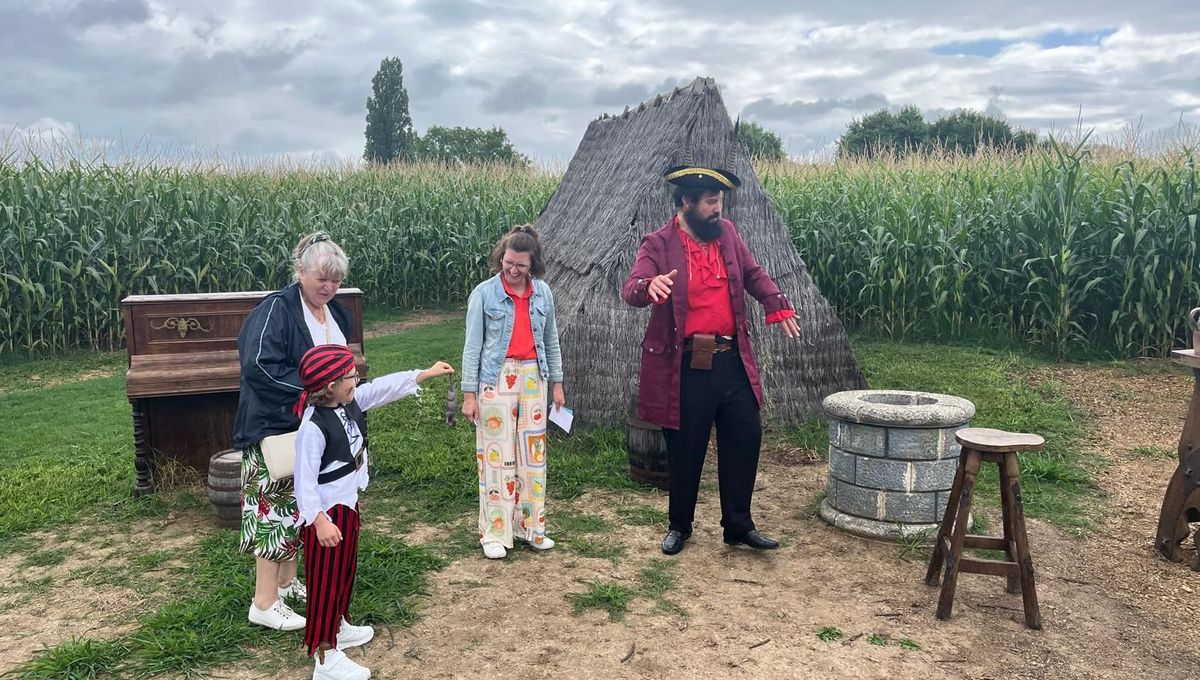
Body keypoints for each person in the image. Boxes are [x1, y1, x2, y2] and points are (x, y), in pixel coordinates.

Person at [621, 165, 802, 555]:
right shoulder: (657, 243)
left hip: (731, 359)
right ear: (686, 202)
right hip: (685, 365)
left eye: (720, 201)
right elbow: (632, 286)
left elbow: (753, 273)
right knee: (686, 447)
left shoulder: (728, 234)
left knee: (745, 436)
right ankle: (679, 526)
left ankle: (737, 526)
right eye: (710, 202)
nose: (718, 209)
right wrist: (648, 286)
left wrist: (778, 304)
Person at [293, 344, 455, 680]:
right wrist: (318, 520)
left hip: (347, 505)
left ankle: (337, 626)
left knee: (343, 573)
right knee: (324, 582)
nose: (356, 379)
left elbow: (380, 389)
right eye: (349, 375)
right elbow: (303, 481)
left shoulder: (348, 402)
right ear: (329, 385)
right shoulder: (313, 428)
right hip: (327, 514)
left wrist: (421, 374)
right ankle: (324, 657)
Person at [234, 231, 353, 631]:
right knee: (273, 511)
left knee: (300, 507)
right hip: (274, 430)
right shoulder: (276, 310)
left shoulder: (336, 313)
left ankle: (286, 584)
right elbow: (258, 366)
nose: (329, 287)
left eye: (335, 280)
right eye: (321, 277)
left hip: (312, 430)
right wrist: (312, 391)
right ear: (299, 271)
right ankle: (263, 602)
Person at [461, 224, 565, 560]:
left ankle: (531, 527)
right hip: (497, 377)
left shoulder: (543, 293)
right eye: (508, 262)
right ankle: (494, 532)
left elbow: (550, 340)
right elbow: (472, 347)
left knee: (533, 458)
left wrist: (558, 384)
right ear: (500, 258)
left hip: (535, 377)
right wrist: (469, 394)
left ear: (533, 264)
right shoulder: (484, 293)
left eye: (520, 264)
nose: (513, 269)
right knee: (496, 455)